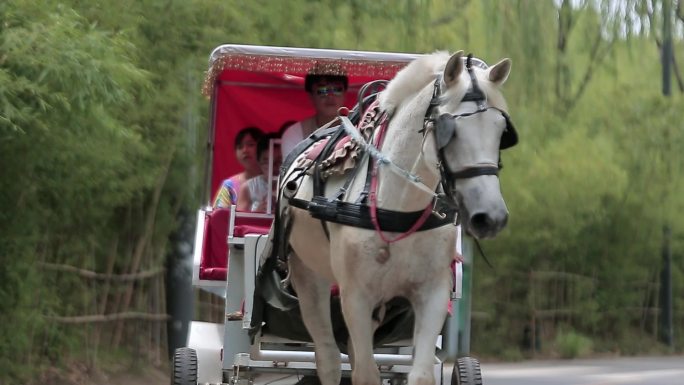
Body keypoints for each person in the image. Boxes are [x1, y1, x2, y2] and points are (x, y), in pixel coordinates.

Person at [281, 63, 348, 156]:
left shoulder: (359, 129)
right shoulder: (295, 133)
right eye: (322, 91)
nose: (330, 96)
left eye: (337, 89)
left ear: (345, 94)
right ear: (310, 97)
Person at [213, 126, 264, 208]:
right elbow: (219, 217)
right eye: (240, 147)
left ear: (264, 148)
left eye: (250, 145)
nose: (245, 150)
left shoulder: (276, 182)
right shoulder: (229, 186)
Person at [237, 134, 282, 212]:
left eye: (279, 161)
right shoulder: (248, 188)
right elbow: (240, 221)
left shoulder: (294, 184)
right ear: (259, 162)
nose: (273, 166)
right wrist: (257, 212)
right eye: (266, 162)